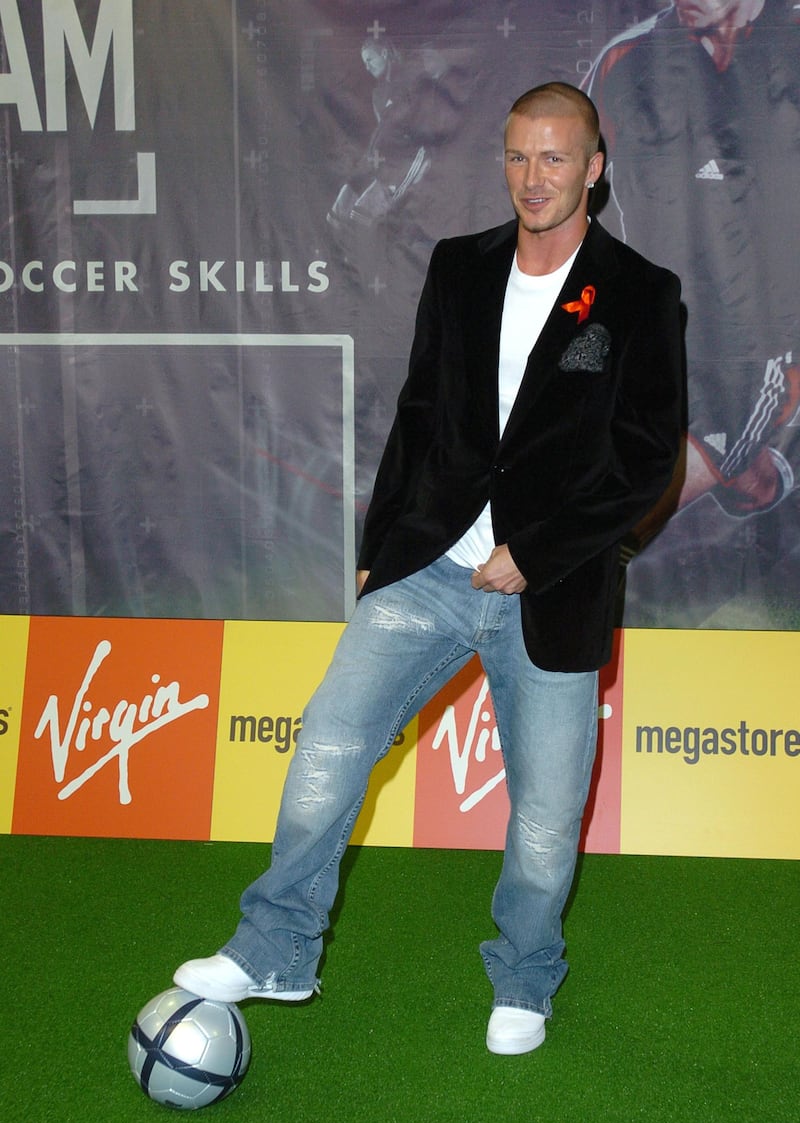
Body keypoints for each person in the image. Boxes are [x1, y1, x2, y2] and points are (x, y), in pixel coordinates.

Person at [175, 83, 685, 1055]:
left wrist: (533, 554)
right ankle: (275, 947)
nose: (530, 178)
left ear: (592, 166)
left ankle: (524, 978)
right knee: (326, 745)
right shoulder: (459, 268)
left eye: (550, 158)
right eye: (514, 156)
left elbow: (645, 459)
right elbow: (416, 417)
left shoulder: (636, 294)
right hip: (425, 570)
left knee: (542, 816)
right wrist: (376, 554)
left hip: (550, 591)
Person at [584, 0, 800, 552]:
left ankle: (569, 557)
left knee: (722, 437)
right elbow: (577, 192)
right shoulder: (626, 60)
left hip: (767, 330)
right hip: (661, 324)